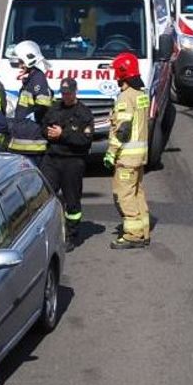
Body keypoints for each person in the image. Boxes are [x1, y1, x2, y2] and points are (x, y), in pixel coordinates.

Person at [104, 52, 150, 250]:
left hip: (126, 158)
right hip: (140, 157)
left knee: (124, 195)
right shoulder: (141, 95)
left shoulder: (125, 97)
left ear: (121, 74)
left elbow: (122, 130)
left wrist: (111, 153)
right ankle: (143, 231)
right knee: (137, 193)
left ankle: (133, 235)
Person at [41, 78, 93, 251]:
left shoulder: (84, 113)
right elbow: (44, 127)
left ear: (75, 91)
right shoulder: (55, 108)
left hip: (73, 160)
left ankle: (71, 235)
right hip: (53, 159)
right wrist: (48, 133)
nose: (66, 96)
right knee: (45, 195)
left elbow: (84, 140)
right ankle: (47, 231)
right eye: (63, 93)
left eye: (69, 93)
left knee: (72, 200)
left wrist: (63, 135)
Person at [7, 40, 53, 165]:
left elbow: (43, 104)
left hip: (32, 143)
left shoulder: (38, 78)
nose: (20, 65)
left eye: (21, 62)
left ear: (29, 60)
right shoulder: (31, 79)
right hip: (24, 140)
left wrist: (31, 118)